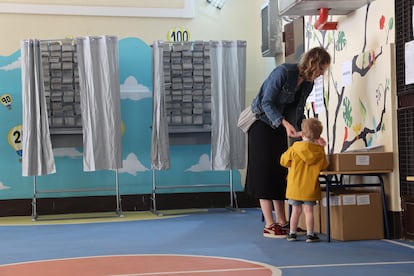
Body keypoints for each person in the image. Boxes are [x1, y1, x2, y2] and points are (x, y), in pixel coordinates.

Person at [244, 47, 331, 238]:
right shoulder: (283, 72)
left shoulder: (307, 84)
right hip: (261, 123)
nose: (321, 74)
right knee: (264, 171)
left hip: (279, 127)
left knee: (280, 170)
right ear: (313, 64)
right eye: (321, 69)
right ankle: (269, 223)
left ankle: (282, 222)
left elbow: (298, 112)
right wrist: (283, 123)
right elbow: (266, 102)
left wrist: (311, 136)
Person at [280, 118, 328, 242]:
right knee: (309, 211)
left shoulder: (294, 148)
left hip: (295, 186)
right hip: (310, 188)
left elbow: (283, 161)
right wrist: (322, 148)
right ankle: (310, 234)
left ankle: (292, 233)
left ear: (302, 133)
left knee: (295, 211)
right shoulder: (319, 151)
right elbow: (324, 166)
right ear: (318, 136)